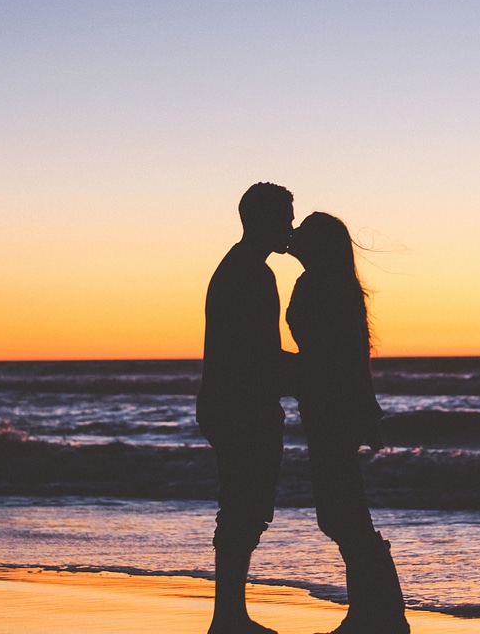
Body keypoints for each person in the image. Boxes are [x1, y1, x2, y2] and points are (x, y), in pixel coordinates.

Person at [286, 212, 410, 634]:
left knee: (343, 514)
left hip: (330, 408)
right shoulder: (332, 283)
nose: (293, 234)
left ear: (317, 244)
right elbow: (345, 356)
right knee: (343, 512)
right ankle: (377, 613)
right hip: (330, 407)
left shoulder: (319, 284)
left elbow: (334, 358)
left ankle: (381, 614)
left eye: (302, 231)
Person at [196, 182, 295, 634]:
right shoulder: (252, 273)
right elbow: (261, 354)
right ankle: (229, 617)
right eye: (285, 217)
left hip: (225, 402)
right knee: (245, 509)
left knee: (240, 508)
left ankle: (229, 614)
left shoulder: (239, 267)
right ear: (263, 220)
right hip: (242, 405)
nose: (290, 227)